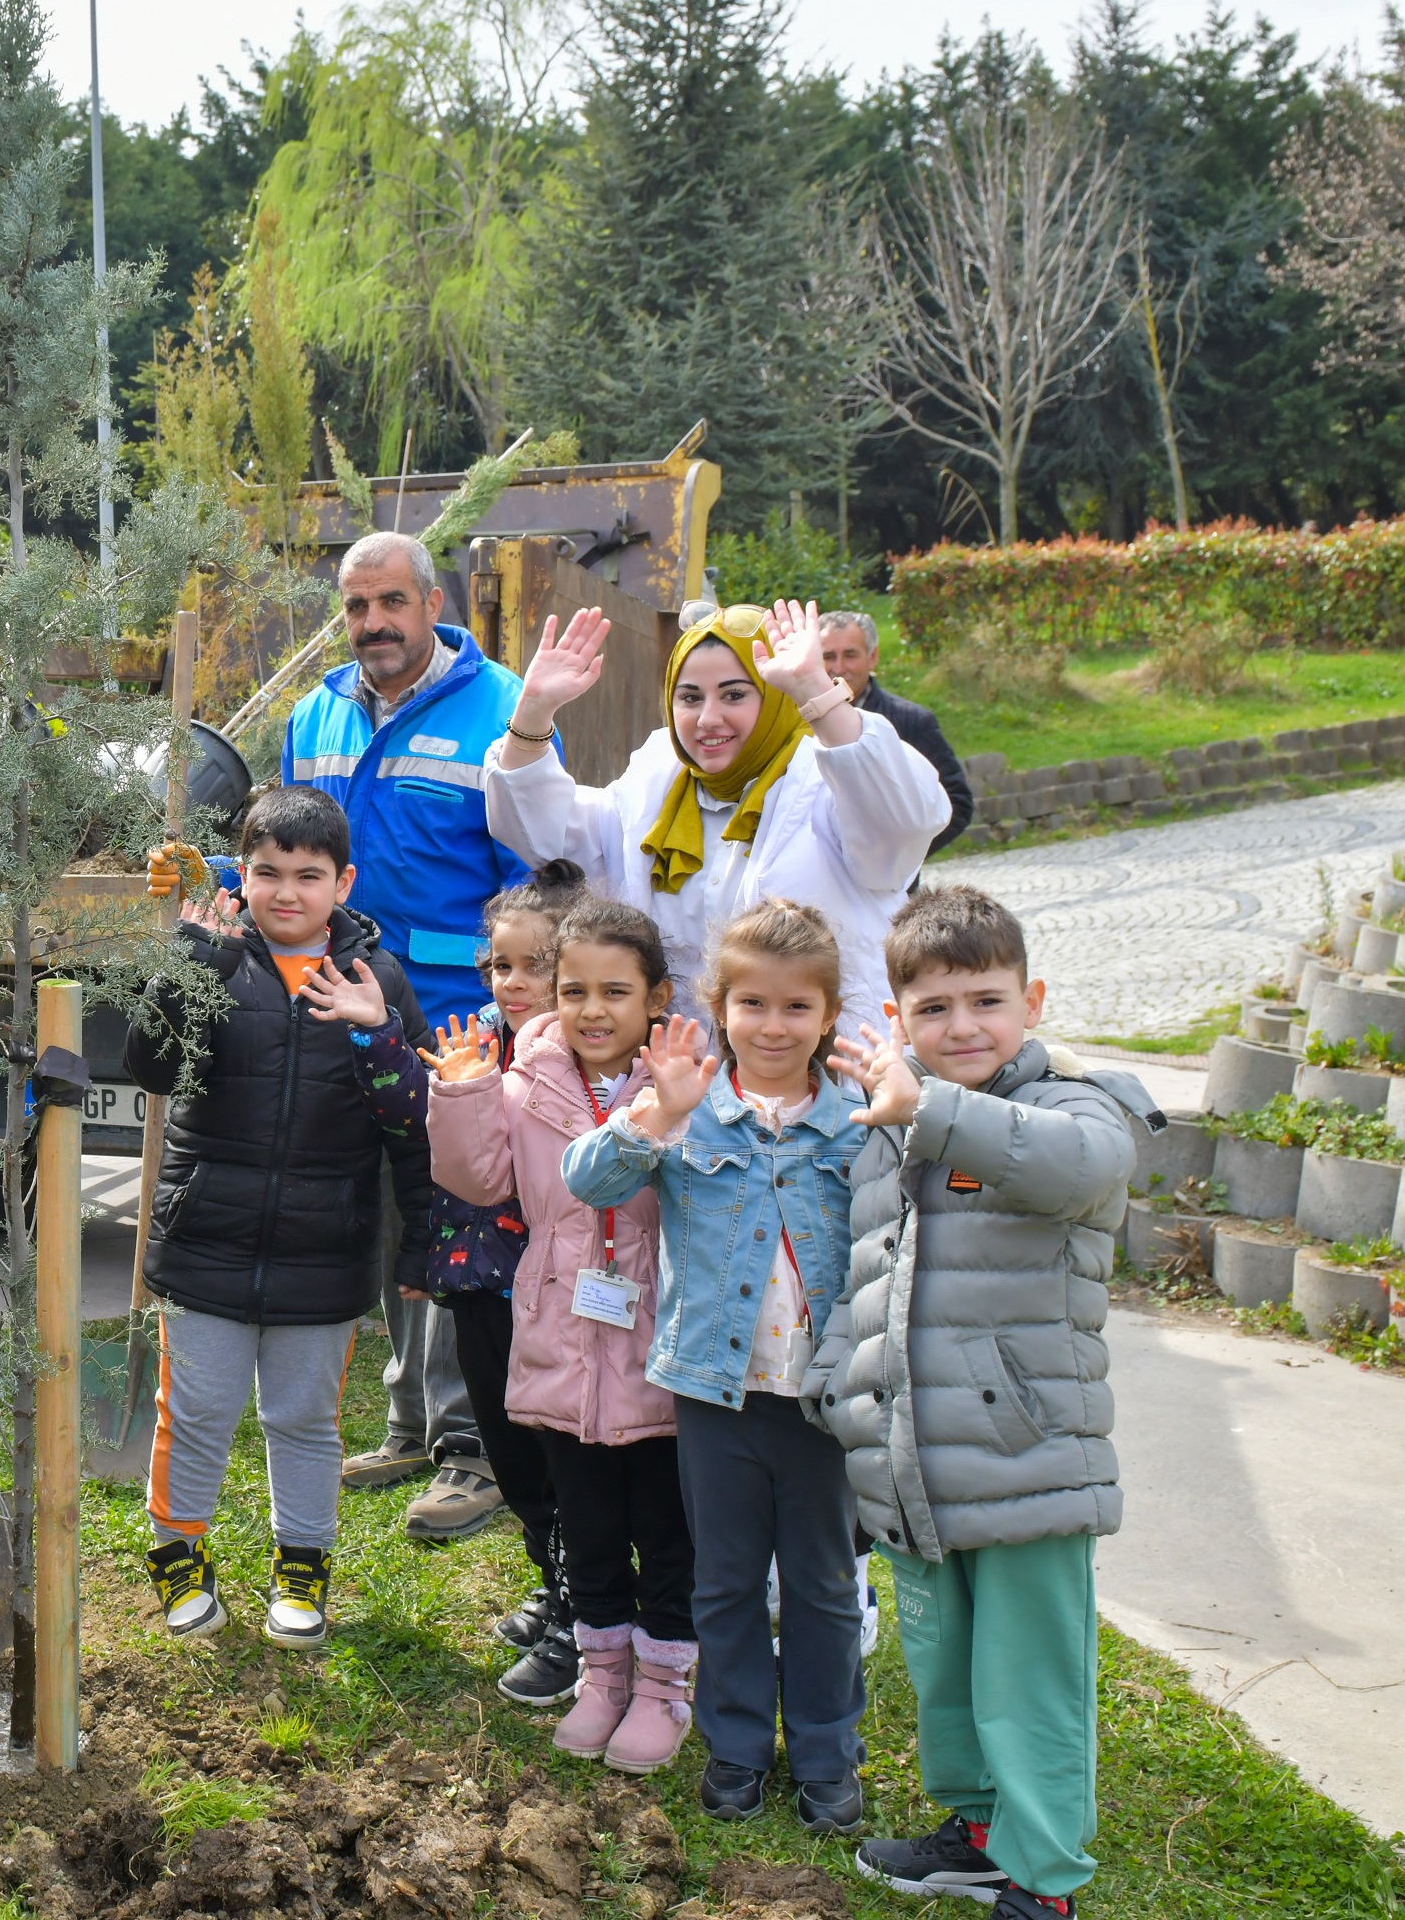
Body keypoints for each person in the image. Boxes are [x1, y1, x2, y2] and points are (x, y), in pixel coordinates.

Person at [817, 887, 1157, 1920]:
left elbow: (1079, 1172)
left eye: (986, 1001)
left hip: (1027, 1463)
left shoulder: (1076, 1106)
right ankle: (976, 1832)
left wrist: (930, 1111)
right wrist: (838, 1394)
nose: (962, 1026)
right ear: (896, 1012)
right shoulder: (890, 1129)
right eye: (933, 1005)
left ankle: (1045, 1890)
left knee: (1031, 1681)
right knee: (946, 1666)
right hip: (912, 1463)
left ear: (1033, 1001)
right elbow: (866, 1278)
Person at [560, 899, 887, 1830]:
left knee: (824, 1582)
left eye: (795, 1008)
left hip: (822, 1399)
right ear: (719, 1008)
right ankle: (737, 1745)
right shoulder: (686, 1107)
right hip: (714, 1392)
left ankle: (826, 1754)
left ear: (827, 1015)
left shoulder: (859, 1123)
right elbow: (587, 1180)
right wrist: (656, 1113)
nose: (772, 1027)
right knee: (727, 1579)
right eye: (751, 1005)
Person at [127, 786, 432, 1653]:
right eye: (265, 873)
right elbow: (147, 1067)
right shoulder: (217, 957)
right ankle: (177, 1554)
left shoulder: (376, 979)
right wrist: (191, 966)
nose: (285, 893)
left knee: (303, 1416)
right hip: (205, 1237)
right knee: (195, 1409)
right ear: (242, 875)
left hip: (325, 1247)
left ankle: (302, 1564)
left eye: (308, 876)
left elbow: (412, 1118)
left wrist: (422, 1235)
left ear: (344, 882)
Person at [278, 530, 540, 1539]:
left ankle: (475, 1447)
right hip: (349, 1006)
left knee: (462, 1223)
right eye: (356, 606)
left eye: (392, 602)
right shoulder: (317, 712)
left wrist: (517, 1001)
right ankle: (410, 1423)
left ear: (434, 602)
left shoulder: (503, 710)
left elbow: (537, 870)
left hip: (459, 1019)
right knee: (392, 1219)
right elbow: (293, 850)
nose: (374, 625)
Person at [428, 895, 700, 1769]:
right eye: (573, 989)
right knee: (584, 1524)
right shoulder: (524, 1082)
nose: (591, 1010)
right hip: (558, 1341)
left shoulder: (684, 1087)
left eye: (614, 991)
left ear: (655, 997)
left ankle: (663, 1691)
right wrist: (464, 1093)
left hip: (657, 1341)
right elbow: (477, 1180)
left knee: (663, 1525)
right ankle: (601, 1678)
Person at [484, 596, 948, 1041]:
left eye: (734, 695)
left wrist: (816, 691)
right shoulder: (654, 783)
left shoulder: (824, 779)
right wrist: (534, 710)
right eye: (689, 697)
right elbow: (541, 833)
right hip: (684, 1080)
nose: (708, 718)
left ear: (774, 697)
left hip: (824, 1076)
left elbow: (901, 826)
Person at [413, 860, 590, 1709]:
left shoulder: (586, 1061)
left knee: (562, 1457)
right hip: (478, 1278)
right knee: (511, 1451)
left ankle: (582, 1610)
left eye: (533, 966)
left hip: (553, 1294)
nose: (511, 983)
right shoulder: (472, 1037)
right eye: (499, 965)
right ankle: (551, 1577)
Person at [817, 610, 974, 855]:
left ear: (873, 657)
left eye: (850, 655)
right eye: (828, 656)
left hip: (893, 890)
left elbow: (957, 803)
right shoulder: (796, 725)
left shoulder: (912, 722)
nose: (838, 667)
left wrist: (898, 860)